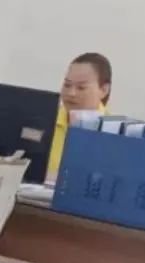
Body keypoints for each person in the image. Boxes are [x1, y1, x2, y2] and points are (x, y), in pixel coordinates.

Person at [47, 52, 112, 180]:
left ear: (104, 90)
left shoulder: (116, 132)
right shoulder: (47, 119)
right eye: (67, 85)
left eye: (81, 88)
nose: (71, 93)